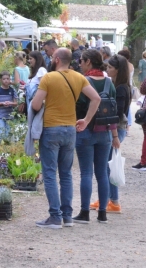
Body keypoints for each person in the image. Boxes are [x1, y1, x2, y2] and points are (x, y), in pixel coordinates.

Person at [31, 48, 100, 229]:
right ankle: (67, 216)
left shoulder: (49, 78)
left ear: (56, 59)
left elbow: (36, 104)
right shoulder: (79, 78)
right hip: (70, 129)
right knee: (66, 174)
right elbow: (96, 98)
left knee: (50, 173)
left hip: (51, 128)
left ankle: (55, 217)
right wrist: (86, 120)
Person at [72, 50, 120, 224]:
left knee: (86, 173)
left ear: (89, 62)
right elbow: (114, 111)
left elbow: (77, 106)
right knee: (102, 174)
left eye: (81, 61)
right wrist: (115, 136)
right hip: (105, 132)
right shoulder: (109, 83)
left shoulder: (84, 82)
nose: (79, 64)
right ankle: (102, 213)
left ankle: (84, 212)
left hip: (85, 131)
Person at [89, 54, 131, 214]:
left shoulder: (120, 88)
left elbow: (118, 112)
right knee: (108, 164)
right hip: (116, 127)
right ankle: (107, 198)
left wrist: (112, 132)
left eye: (110, 68)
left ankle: (112, 200)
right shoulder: (118, 85)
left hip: (116, 127)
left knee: (108, 166)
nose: (107, 70)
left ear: (118, 70)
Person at [0, 71, 18, 144]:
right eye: (4, 79)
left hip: (9, 116)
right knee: (1, 134)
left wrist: (11, 103)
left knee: (8, 135)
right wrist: (2, 103)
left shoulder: (12, 90)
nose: (6, 80)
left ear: (10, 79)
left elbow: (16, 103)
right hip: (0, 115)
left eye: (8, 78)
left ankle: (5, 151)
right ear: (0, 80)